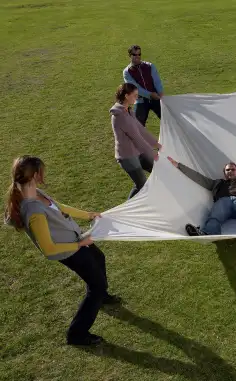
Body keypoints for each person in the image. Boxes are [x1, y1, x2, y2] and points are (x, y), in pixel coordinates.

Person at [3, 156, 121, 346]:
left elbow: (60, 207)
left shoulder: (35, 192)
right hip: (69, 250)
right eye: (42, 171)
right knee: (95, 286)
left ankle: (102, 296)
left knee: (99, 258)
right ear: (35, 175)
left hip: (75, 240)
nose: (44, 174)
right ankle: (77, 334)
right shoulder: (33, 210)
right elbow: (48, 250)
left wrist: (88, 214)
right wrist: (79, 246)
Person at [110, 83, 162, 199]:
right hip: (127, 157)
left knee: (159, 169)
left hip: (138, 152)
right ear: (127, 96)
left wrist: (157, 144)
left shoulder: (128, 111)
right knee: (142, 185)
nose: (137, 98)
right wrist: (153, 153)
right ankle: (127, 209)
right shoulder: (120, 116)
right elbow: (137, 138)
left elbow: (141, 131)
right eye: (135, 95)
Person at [123, 44, 164, 127]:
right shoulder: (127, 72)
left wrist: (161, 93)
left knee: (167, 119)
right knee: (138, 126)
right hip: (140, 101)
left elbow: (157, 81)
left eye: (139, 54)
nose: (137, 57)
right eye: (134, 55)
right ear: (129, 56)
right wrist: (149, 94)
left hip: (155, 98)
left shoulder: (150, 66)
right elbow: (135, 88)